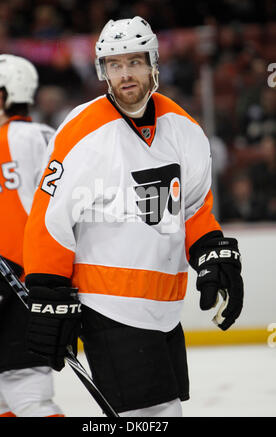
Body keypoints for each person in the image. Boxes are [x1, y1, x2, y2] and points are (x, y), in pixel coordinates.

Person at [23, 16, 244, 417]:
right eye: (115, 64)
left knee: (163, 412)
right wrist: (47, 291)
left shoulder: (184, 128)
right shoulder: (81, 132)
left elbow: (193, 207)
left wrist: (210, 250)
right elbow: (47, 220)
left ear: (153, 64)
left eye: (134, 62)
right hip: (108, 306)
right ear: (102, 71)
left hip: (164, 311)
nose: (125, 74)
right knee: (155, 416)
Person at [0, 54, 64, 417]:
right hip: (42, 280)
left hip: (16, 285)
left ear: (0, 97)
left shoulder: (1, 142)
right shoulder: (48, 135)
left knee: (27, 394)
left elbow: (12, 223)